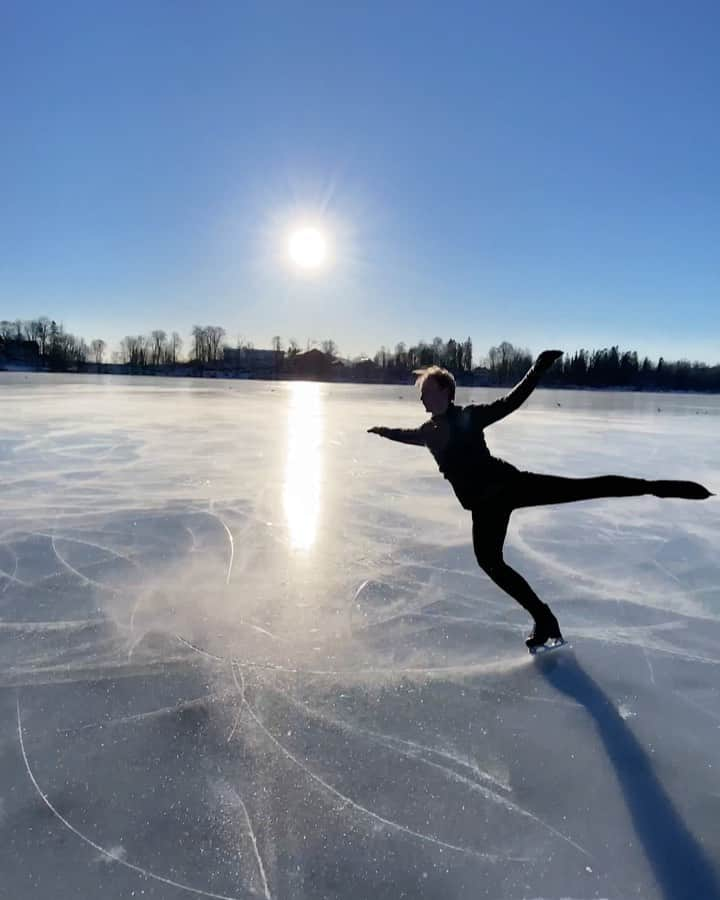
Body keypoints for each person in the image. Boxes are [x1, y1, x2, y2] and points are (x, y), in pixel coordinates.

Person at [368, 351, 713, 651]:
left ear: (445, 391)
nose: (422, 399)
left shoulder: (468, 417)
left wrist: (536, 370)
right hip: (485, 508)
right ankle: (544, 619)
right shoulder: (430, 430)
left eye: (426, 392)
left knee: (581, 488)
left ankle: (652, 486)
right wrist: (385, 432)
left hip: (509, 487)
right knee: (490, 563)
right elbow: (411, 436)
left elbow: (510, 404)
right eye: (421, 395)